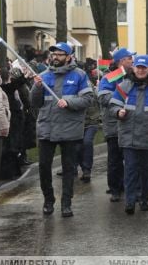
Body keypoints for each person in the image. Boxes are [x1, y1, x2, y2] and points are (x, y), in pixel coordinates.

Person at [29, 43, 94, 217]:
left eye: (59, 54)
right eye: (54, 54)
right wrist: (37, 87)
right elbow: (35, 103)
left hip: (69, 130)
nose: (55, 57)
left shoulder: (79, 76)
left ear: (69, 56)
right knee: (43, 167)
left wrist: (69, 102)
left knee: (68, 169)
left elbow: (88, 99)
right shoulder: (43, 76)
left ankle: (66, 203)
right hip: (47, 129)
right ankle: (48, 200)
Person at [111, 56, 148, 214]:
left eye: (144, 67)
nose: (141, 70)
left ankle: (143, 199)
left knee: (146, 171)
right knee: (130, 170)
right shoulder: (124, 86)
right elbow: (113, 105)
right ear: (133, 68)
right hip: (128, 137)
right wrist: (118, 112)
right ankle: (130, 201)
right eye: (138, 67)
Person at [98, 47, 134, 202]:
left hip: (131, 123)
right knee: (115, 159)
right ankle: (115, 189)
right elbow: (103, 98)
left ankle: (129, 185)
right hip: (114, 124)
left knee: (131, 158)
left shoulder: (134, 75)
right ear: (121, 61)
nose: (132, 61)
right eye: (129, 58)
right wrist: (122, 100)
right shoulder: (111, 77)